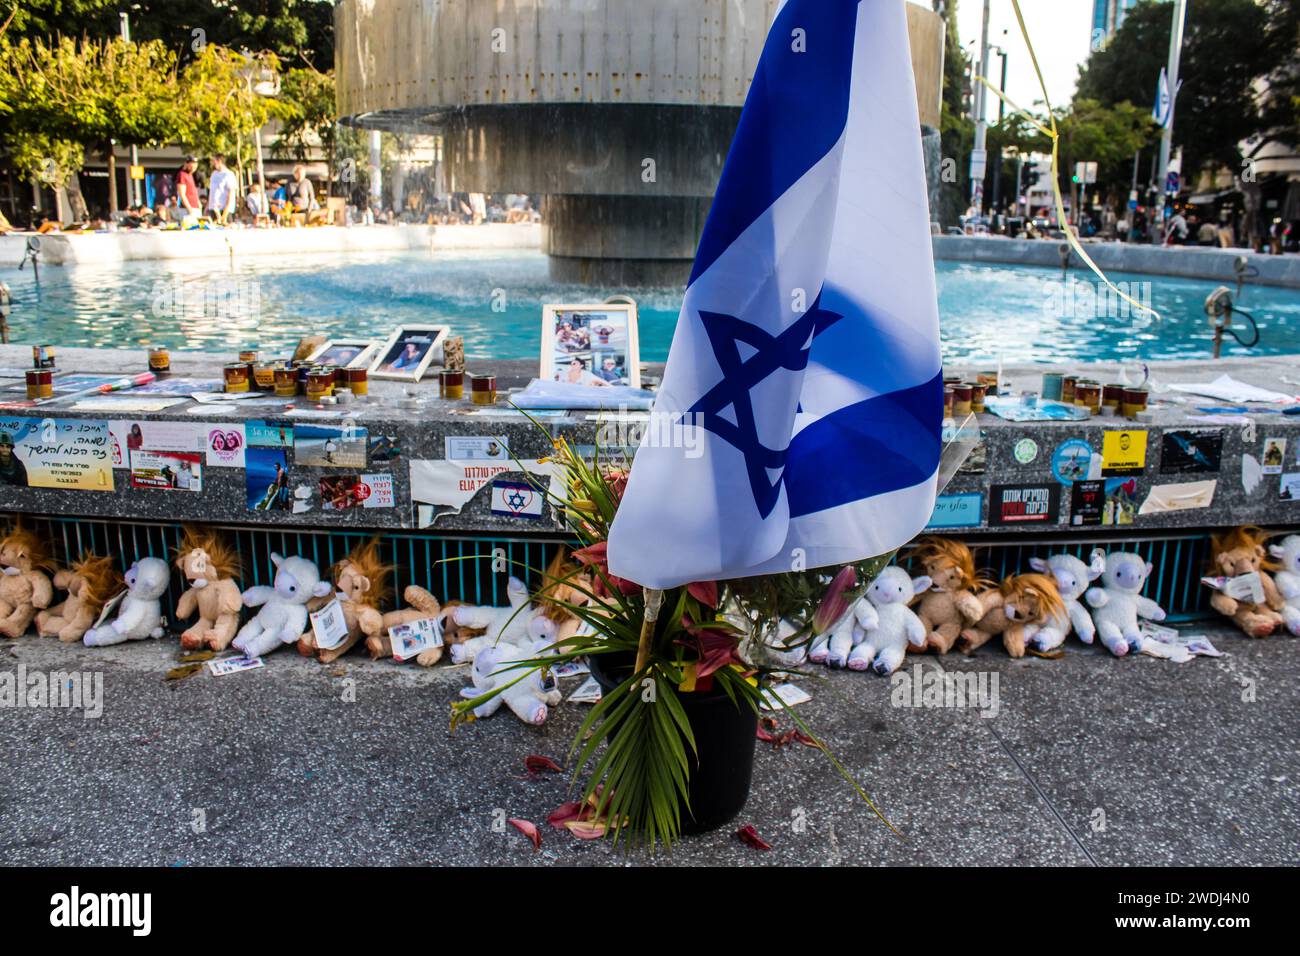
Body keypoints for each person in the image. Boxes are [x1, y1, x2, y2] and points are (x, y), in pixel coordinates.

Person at [206, 155, 237, 224]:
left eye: (214, 161)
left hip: (224, 209)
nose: (213, 164)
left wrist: (226, 211)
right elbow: (212, 192)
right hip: (214, 208)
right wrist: (207, 207)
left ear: (219, 161)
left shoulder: (228, 174)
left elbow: (231, 193)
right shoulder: (214, 174)